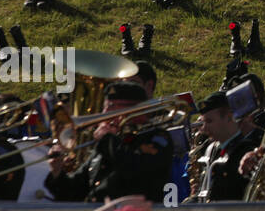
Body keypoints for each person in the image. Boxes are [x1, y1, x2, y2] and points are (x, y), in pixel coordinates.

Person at [44, 81, 172, 203]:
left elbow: (135, 171)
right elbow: (74, 192)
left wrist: (107, 140)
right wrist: (57, 172)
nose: (104, 113)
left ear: (134, 110)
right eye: (105, 107)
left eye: (111, 107)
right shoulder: (108, 143)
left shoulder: (156, 137)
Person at [195, 90, 261, 202]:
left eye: (209, 121)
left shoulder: (246, 150)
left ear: (229, 117)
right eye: (203, 122)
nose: (204, 128)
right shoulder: (210, 149)